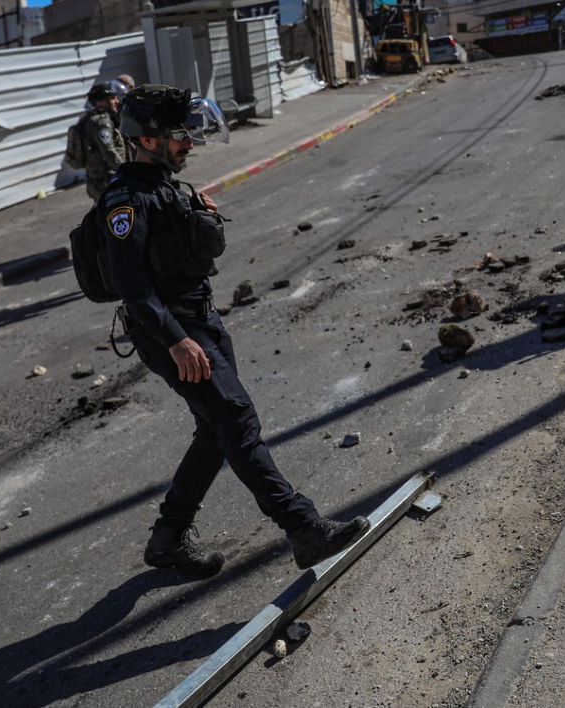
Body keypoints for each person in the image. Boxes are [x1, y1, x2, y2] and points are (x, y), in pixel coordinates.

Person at [102, 84, 369, 577]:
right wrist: (177, 340)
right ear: (147, 138)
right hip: (174, 330)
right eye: (180, 134)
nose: (189, 143)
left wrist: (200, 217)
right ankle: (304, 528)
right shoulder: (126, 199)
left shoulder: (165, 187)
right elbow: (132, 286)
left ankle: (167, 541)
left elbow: (184, 256)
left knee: (216, 430)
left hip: (201, 319)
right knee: (236, 419)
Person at [76, 81, 129, 201]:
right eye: (111, 98)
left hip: (98, 181)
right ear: (99, 102)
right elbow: (108, 150)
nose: (116, 101)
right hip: (108, 181)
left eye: (116, 97)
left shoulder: (89, 119)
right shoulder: (102, 122)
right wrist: (127, 172)